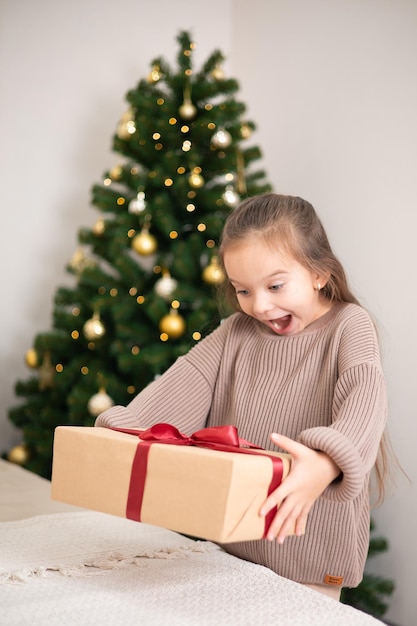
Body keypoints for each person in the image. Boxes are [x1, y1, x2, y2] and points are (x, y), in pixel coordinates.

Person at [95, 193, 388, 601]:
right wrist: (120, 434)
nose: (261, 305)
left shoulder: (348, 326)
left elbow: (365, 398)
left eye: (275, 285)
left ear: (319, 273)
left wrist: (324, 464)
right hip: (234, 543)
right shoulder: (236, 331)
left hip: (310, 555)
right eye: (243, 290)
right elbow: (182, 386)